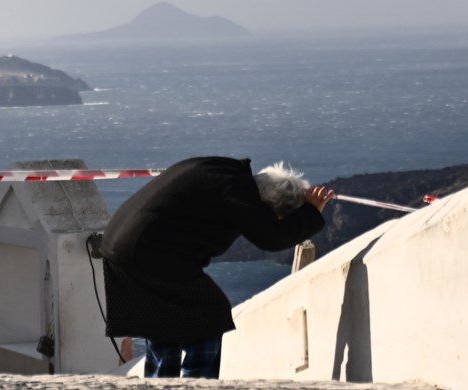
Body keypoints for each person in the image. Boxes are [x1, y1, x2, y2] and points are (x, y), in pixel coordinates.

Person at [100, 156, 334, 378]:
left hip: (122, 245)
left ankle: (162, 383)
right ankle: (197, 383)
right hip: (150, 253)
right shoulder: (237, 193)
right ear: (269, 204)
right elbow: (271, 237)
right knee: (210, 317)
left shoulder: (228, 174)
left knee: (164, 330)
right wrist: (311, 212)